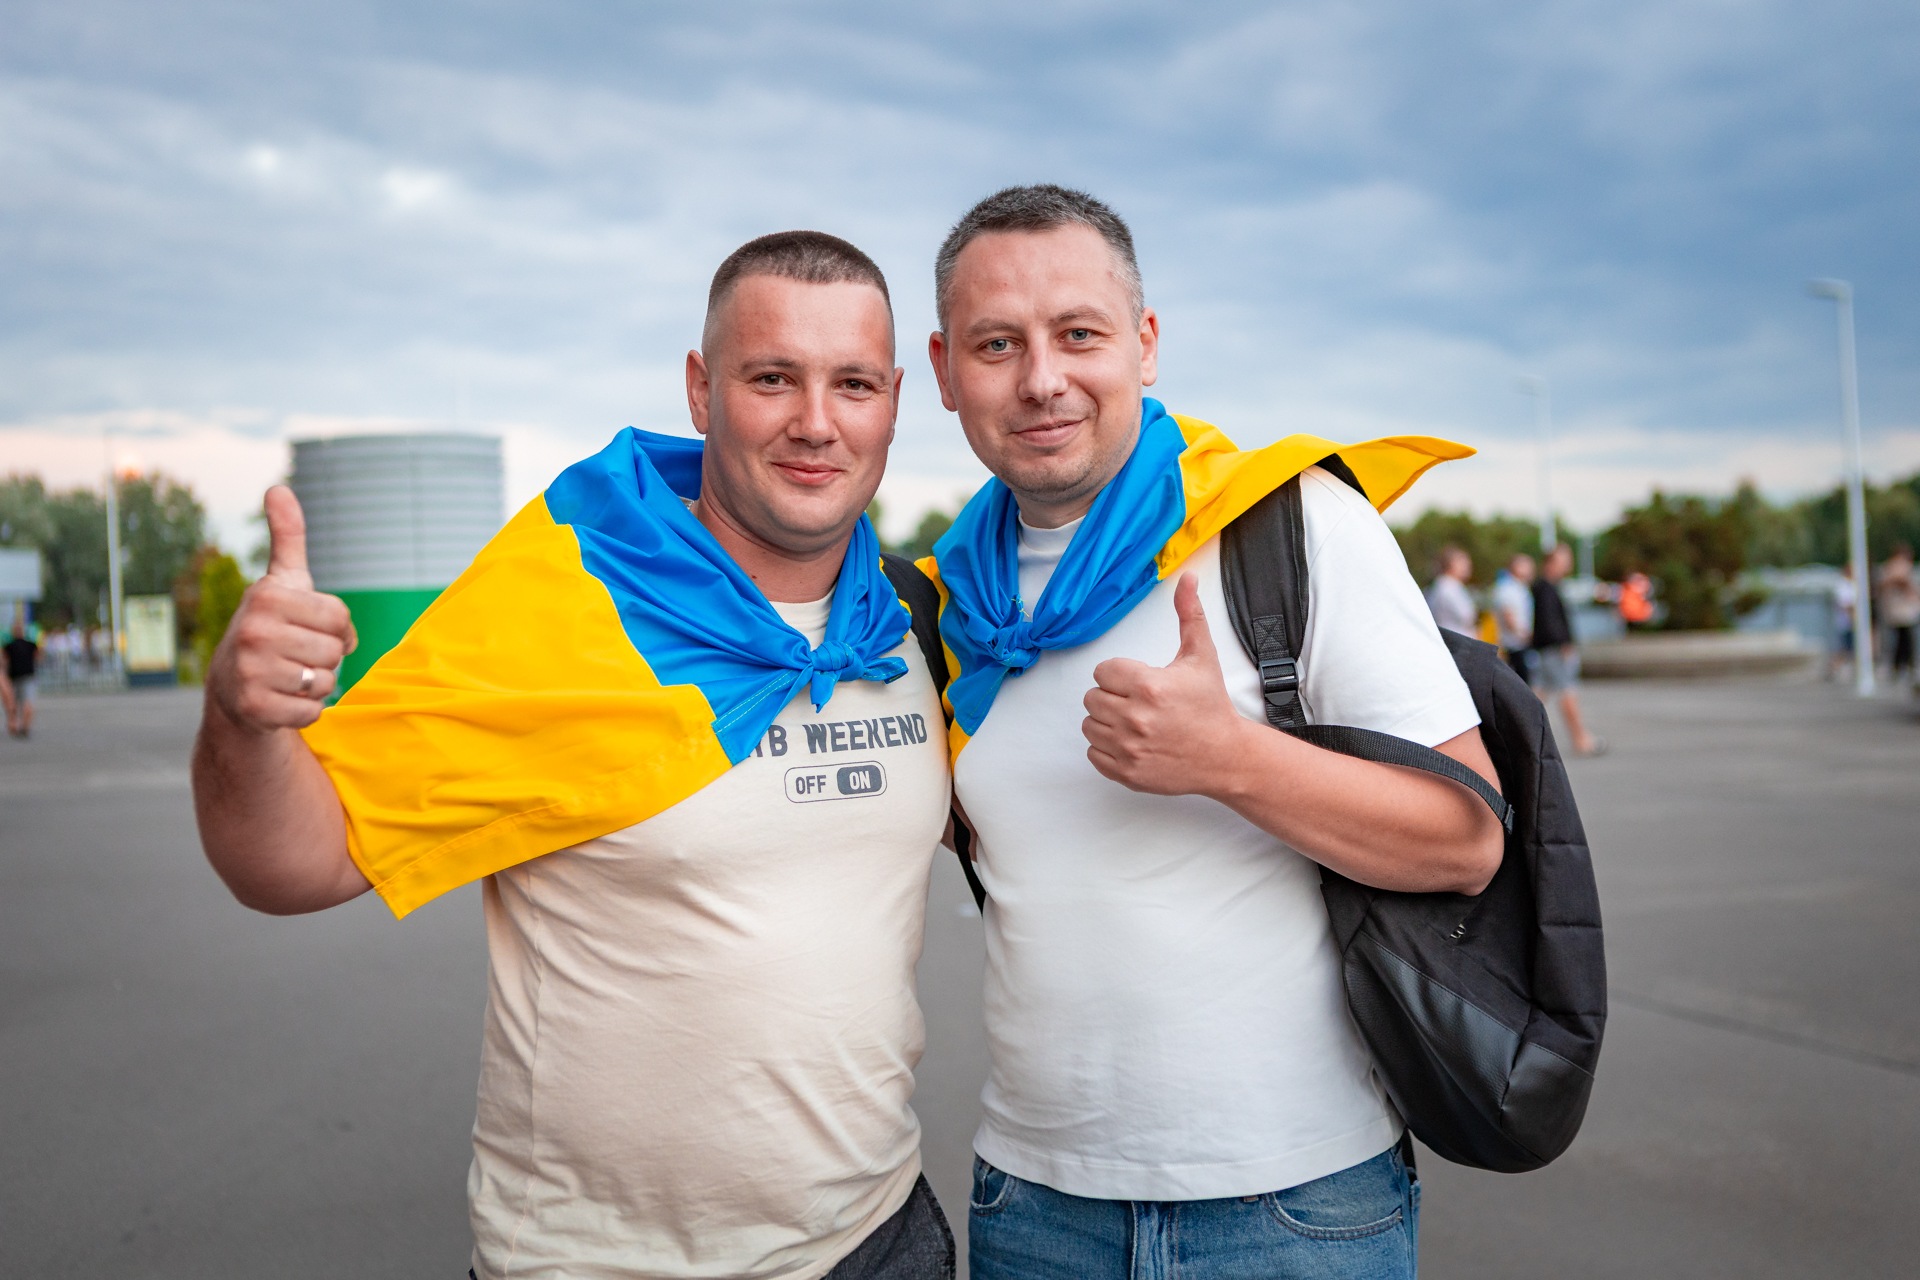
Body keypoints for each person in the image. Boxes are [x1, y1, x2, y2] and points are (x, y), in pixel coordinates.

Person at [192, 232, 956, 1280]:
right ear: (701, 390)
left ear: (895, 401)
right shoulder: (564, 610)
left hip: (881, 1239)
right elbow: (289, 864)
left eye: (853, 383)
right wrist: (240, 717)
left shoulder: (911, 622)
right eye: (772, 377)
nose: (816, 421)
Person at [921, 185, 1505, 1280]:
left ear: (1144, 345)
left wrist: (1232, 759)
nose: (1041, 378)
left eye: (1079, 333)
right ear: (947, 371)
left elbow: (1466, 837)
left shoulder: (1285, 524)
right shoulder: (947, 604)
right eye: (998, 344)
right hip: (1034, 1206)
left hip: (1293, 1206)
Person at [1530, 543, 1604, 757]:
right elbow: (1549, 622)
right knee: (1567, 692)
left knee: (1536, 696)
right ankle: (1580, 739)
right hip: (1553, 650)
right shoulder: (1546, 588)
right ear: (1551, 563)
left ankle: (1518, 739)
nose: (1568, 564)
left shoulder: (1547, 587)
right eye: (1564, 560)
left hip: (1547, 649)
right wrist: (1563, 643)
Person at [1878, 544, 1919, 688]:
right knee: (1896, 641)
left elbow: (1911, 587)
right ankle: (1897, 667)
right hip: (1896, 612)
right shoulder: (1889, 569)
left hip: (1906, 612)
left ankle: (1906, 666)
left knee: (1907, 640)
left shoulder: (1907, 569)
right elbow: (1883, 586)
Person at [1491, 552, 1536, 682]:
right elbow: (1508, 616)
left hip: (1520, 643)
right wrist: (1523, 634)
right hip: (1513, 644)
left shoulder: (1520, 588)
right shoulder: (1507, 589)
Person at [1424, 545, 1478, 637]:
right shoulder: (1447, 587)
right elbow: (1467, 616)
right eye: (1462, 562)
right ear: (1450, 563)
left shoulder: (1449, 585)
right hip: (1454, 641)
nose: (1468, 565)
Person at [4, 617, 38, 739]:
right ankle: (24, 726)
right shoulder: (31, 645)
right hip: (27, 676)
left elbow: (4, 661)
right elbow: (38, 657)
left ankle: (15, 724)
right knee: (27, 703)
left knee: (15, 703)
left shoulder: (9, 646)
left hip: (14, 677)